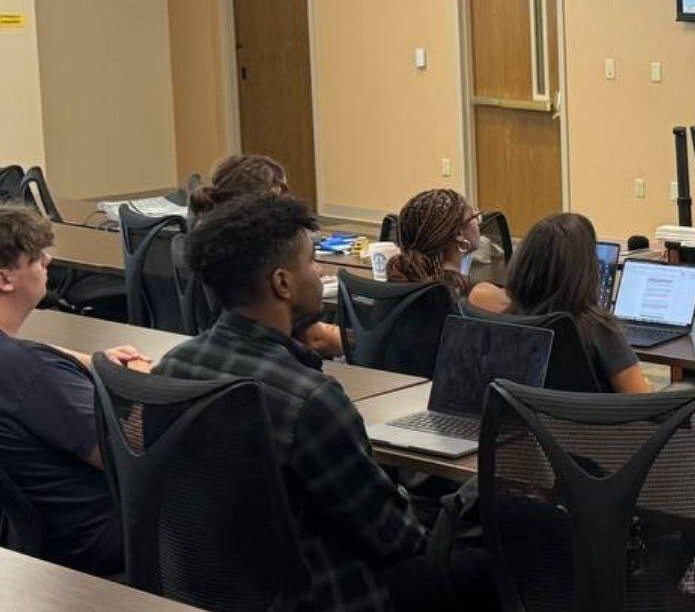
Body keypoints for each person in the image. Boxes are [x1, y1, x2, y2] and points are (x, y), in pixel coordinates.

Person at [155, 193, 493, 612]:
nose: (319, 273)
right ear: (282, 283)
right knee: (492, 560)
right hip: (327, 596)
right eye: (313, 262)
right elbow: (395, 538)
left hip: (211, 590)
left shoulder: (172, 368)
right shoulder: (309, 401)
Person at [0, 204, 150, 575]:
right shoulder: (31, 372)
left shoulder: (23, 363)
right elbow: (129, 455)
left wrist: (90, 360)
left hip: (34, 540)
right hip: (97, 542)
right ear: (5, 279)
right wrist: (140, 383)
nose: (48, 261)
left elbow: (24, 356)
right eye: (37, 258)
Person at [188, 154, 344, 358]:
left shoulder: (212, 244)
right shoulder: (256, 258)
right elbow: (314, 339)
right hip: (269, 359)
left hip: (224, 353)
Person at [505, 212, 651, 394]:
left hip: (528, 412)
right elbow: (642, 399)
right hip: (591, 413)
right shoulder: (599, 329)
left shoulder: (506, 321)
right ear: (586, 270)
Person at [385, 188, 506, 310]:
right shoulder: (479, 298)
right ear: (459, 234)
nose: (478, 222)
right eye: (474, 217)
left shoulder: (397, 291)